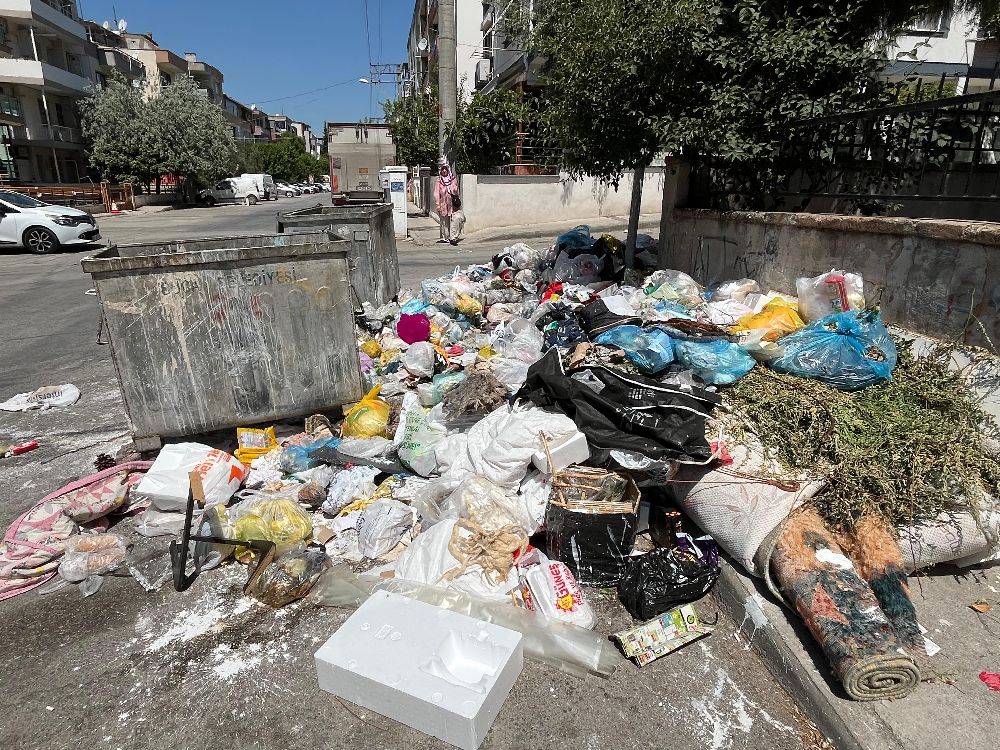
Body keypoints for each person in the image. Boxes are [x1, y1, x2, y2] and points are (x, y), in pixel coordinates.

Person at [434, 161, 462, 245]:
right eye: (443, 170)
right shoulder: (439, 181)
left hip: (453, 204)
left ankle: (453, 237)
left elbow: (456, 190)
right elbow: (436, 193)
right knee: (444, 221)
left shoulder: (453, 179)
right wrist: (437, 204)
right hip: (443, 204)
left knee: (455, 219)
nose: (444, 171)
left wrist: (451, 187)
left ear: (448, 170)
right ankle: (445, 237)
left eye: (445, 169)